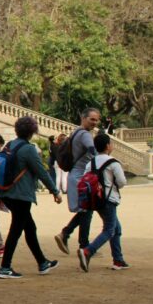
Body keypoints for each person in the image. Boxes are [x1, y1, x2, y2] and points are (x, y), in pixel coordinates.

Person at [0, 116, 63, 279]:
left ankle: (42, 262)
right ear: (32, 131)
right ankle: (4, 267)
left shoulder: (10, 145)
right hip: (21, 194)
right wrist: (55, 191)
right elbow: (42, 172)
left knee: (29, 228)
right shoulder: (28, 149)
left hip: (7, 192)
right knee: (16, 230)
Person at [77, 133, 129, 272]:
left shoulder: (91, 162)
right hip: (110, 199)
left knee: (116, 228)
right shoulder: (113, 162)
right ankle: (88, 251)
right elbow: (122, 182)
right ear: (107, 146)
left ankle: (118, 260)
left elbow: (85, 178)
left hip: (96, 200)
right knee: (109, 230)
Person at [55, 108, 101, 256]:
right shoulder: (85, 135)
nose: (95, 122)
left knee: (85, 212)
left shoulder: (75, 132)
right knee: (86, 211)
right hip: (81, 177)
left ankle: (76, 240)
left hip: (75, 175)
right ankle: (79, 243)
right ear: (83, 117)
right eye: (92, 119)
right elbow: (94, 153)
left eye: (96, 120)